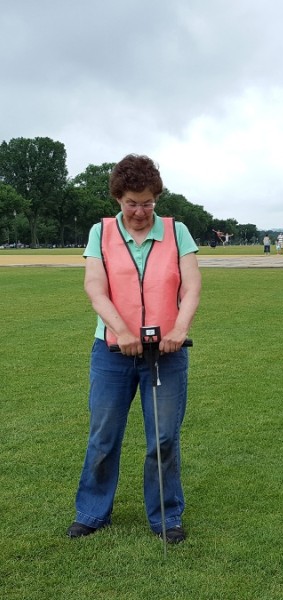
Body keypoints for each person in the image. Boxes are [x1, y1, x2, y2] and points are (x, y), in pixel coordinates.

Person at [67, 154, 202, 544]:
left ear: (156, 198)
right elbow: (95, 286)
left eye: (147, 202)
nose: (140, 211)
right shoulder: (101, 233)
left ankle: (166, 517)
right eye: (131, 203)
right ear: (117, 199)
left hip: (167, 352)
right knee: (103, 435)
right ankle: (92, 512)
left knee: (163, 437)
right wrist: (120, 331)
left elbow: (191, 286)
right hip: (112, 351)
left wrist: (179, 328)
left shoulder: (177, 232)